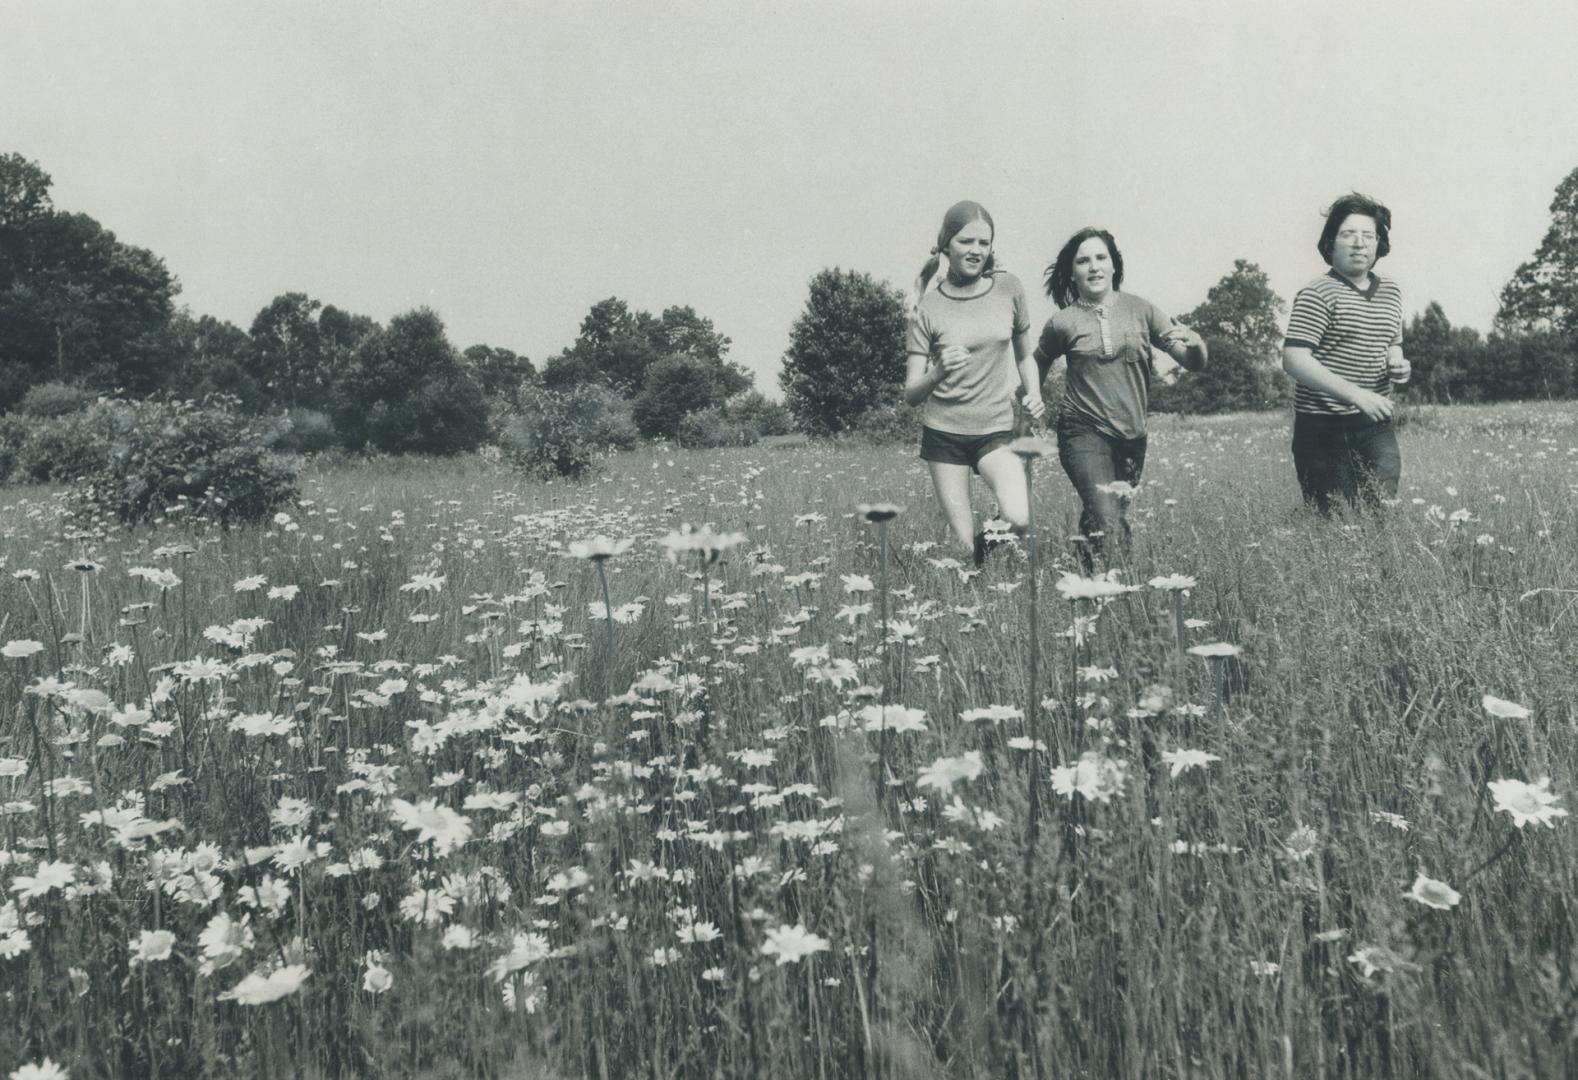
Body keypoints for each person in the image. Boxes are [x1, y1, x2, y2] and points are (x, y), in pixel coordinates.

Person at [1033, 227, 1207, 567]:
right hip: (1081, 429)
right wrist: (1033, 406)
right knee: (1108, 517)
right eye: (1083, 261)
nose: (1094, 267)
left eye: (1101, 258)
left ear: (1114, 266)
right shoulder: (1062, 323)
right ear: (1072, 272)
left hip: (1132, 436)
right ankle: (1117, 584)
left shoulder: (1142, 310)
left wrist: (1197, 342)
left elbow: (1192, 363)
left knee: (1105, 516)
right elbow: (1037, 361)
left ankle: (1085, 574)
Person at [904, 201, 1046, 567]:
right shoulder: (927, 308)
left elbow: (1025, 355)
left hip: (995, 430)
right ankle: (975, 569)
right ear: (946, 245)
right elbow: (910, 394)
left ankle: (985, 553)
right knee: (962, 550)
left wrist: (1034, 392)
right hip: (944, 436)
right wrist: (937, 372)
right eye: (966, 241)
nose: (976, 251)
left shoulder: (1009, 288)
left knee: (1019, 516)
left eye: (984, 243)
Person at [1281, 193, 1409, 515]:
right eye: (1348, 234)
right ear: (1331, 242)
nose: (1359, 244)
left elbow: (1393, 341)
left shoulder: (1391, 291)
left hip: (1374, 423)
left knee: (1384, 511)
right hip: (1323, 428)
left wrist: (1398, 363)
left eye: (1368, 236)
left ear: (1379, 244)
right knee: (1335, 520)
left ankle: (1383, 567)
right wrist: (1355, 394)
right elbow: (1294, 358)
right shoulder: (1317, 293)